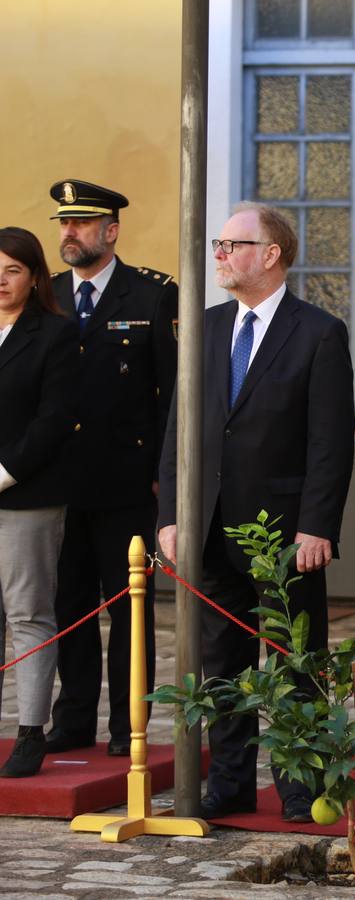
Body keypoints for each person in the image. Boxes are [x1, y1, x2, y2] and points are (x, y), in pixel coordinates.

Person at [157, 202, 355, 822]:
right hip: (211, 526)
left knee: (296, 663)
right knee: (223, 666)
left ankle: (300, 788)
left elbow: (329, 442)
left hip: (286, 534)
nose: (219, 253)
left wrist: (318, 525)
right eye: (217, 243)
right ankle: (232, 784)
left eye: (232, 244)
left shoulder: (319, 332)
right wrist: (170, 513)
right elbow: (177, 430)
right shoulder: (206, 326)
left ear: (270, 254)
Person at [44, 180, 177, 758]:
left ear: (111, 230)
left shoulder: (151, 295)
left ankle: (129, 726)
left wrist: (165, 476)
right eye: (64, 224)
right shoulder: (45, 294)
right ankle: (72, 718)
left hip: (127, 481)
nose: (69, 234)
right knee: (66, 605)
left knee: (131, 607)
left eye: (81, 224)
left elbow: (173, 392)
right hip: (56, 483)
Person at [0, 226, 79, 777]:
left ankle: (30, 733)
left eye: (12, 270)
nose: (0, 281)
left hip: (26, 495)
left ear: (33, 277)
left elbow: (54, 422)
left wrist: (3, 474)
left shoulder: (54, 334)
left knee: (28, 614)